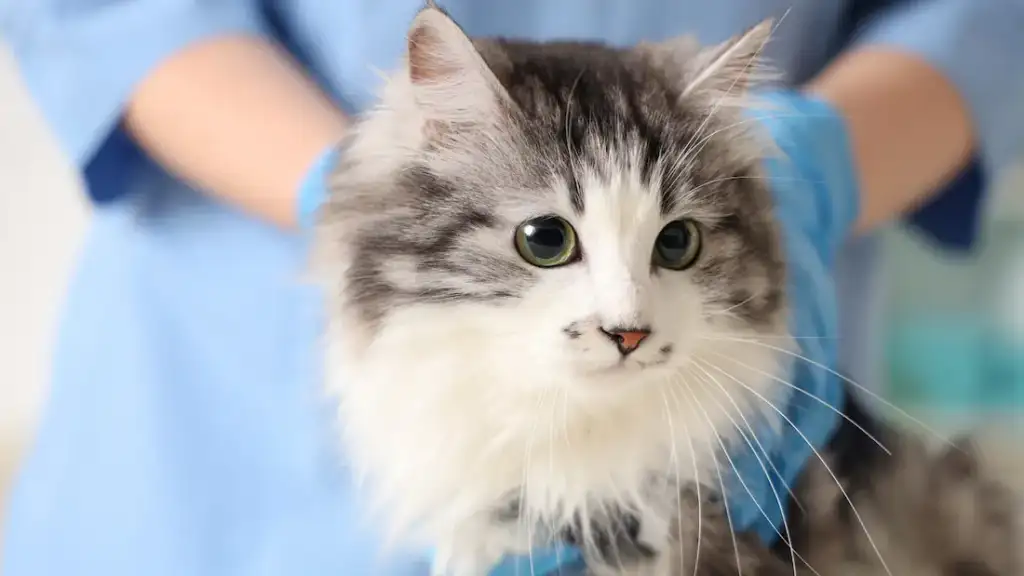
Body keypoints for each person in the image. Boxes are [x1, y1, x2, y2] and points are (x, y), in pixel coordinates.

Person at [1, 1, 1020, 575]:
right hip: (214, 465)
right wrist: (344, 187)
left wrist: (825, 158)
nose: (619, 320)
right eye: (547, 241)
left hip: (752, 425)